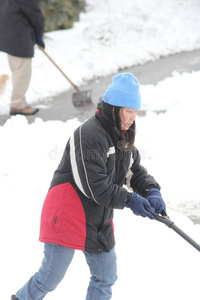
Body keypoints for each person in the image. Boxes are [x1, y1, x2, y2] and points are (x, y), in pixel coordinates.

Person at [11, 73, 166, 300]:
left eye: (136, 111)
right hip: (68, 213)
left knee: (106, 277)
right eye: (129, 111)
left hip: (97, 217)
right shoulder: (89, 135)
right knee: (49, 277)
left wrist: (151, 190)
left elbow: (133, 171)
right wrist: (131, 200)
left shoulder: (122, 134)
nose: (133, 117)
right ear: (114, 108)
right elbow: (96, 187)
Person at [0, 0, 45, 116]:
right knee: (22, 72)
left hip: (8, 35)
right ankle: (18, 105)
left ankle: (20, 101)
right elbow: (36, 14)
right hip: (19, 37)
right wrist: (39, 35)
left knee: (17, 71)